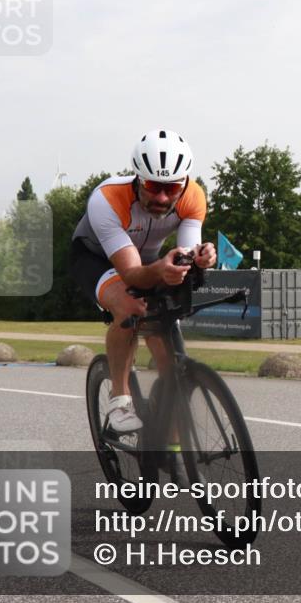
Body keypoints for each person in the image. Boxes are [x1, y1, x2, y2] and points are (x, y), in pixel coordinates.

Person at [69, 129, 216, 432]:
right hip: (95, 258)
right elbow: (133, 274)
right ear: (137, 179)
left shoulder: (194, 196)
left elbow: (185, 253)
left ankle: (172, 447)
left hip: (149, 259)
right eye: (152, 186)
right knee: (132, 305)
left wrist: (199, 259)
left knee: (169, 348)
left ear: (184, 183)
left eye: (172, 188)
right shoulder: (107, 199)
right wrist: (162, 269)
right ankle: (120, 400)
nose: (162, 197)